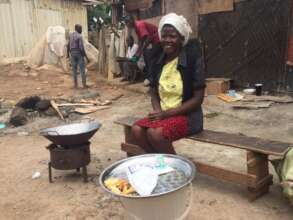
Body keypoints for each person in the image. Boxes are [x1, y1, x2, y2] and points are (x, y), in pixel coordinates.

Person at [130, 13, 205, 154]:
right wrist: (158, 110)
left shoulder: (192, 59)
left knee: (155, 134)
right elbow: (152, 90)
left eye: (172, 36)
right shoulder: (158, 60)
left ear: (181, 38)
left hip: (187, 117)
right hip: (163, 115)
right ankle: (160, 163)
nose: (167, 40)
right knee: (136, 130)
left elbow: (198, 99)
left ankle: (176, 169)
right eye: (164, 36)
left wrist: (166, 114)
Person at [124, 15, 161, 86]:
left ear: (132, 20)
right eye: (126, 23)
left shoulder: (139, 25)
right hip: (153, 41)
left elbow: (147, 39)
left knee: (151, 57)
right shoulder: (135, 28)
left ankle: (151, 79)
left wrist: (140, 51)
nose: (127, 24)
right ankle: (149, 77)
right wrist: (137, 54)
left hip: (158, 39)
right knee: (146, 55)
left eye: (128, 22)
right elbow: (141, 41)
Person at [67, 24, 89, 89]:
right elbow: (81, 48)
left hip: (72, 53)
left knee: (74, 70)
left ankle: (75, 85)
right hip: (79, 53)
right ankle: (84, 85)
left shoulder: (71, 35)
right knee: (82, 69)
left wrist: (68, 54)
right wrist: (85, 56)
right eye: (80, 29)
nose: (81, 30)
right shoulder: (79, 36)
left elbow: (68, 45)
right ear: (77, 29)